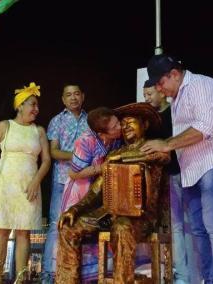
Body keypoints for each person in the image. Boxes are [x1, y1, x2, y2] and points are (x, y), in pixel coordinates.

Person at [141, 54, 213, 283]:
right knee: (198, 229)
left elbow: (205, 127)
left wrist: (167, 145)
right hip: (191, 169)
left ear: (174, 74)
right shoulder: (176, 98)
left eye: (161, 84)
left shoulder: (202, 85)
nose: (161, 90)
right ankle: (208, 278)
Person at [56, 102, 169, 283]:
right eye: (122, 124)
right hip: (110, 213)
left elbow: (163, 156)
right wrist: (75, 209)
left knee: (122, 226)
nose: (125, 127)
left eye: (130, 122)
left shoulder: (154, 147)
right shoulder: (114, 153)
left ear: (145, 125)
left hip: (142, 217)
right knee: (68, 227)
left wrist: (121, 159)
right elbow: (96, 191)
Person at [0, 82, 51, 283]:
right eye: (32, 104)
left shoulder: (39, 130)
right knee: (2, 229)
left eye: (36, 105)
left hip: (29, 185)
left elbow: (46, 160)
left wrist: (36, 182)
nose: (36, 109)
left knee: (24, 231)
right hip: (7, 182)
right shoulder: (5, 125)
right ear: (20, 106)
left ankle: (20, 278)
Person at [143, 81, 201, 284]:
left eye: (149, 93)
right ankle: (182, 275)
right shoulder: (149, 121)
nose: (147, 98)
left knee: (192, 225)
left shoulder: (176, 113)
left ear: (161, 92)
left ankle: (195, 276)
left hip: (186, 173)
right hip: (166, 179)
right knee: (175, 227)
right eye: (144, 95)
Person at [41, 84, 88, 283]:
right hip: (62, 180)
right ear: (63, 99)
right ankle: (49, 274)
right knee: (55, 225)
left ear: (83, 96)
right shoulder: (57, 121)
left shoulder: (91, 120)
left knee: (82, 225)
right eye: (68, 95)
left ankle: (80, 271)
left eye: (76, 93)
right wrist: (79, 157)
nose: (73, 98)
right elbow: (54, 152)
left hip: (86, 182)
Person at [60, 107, 122, 212]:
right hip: (80, 191)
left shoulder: (118, 137)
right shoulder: (86, 141)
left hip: (101, 190)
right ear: (101, 134)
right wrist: (101, 168)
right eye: (114, 127)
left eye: (118, 122)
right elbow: (73, 174)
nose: (120, 127)